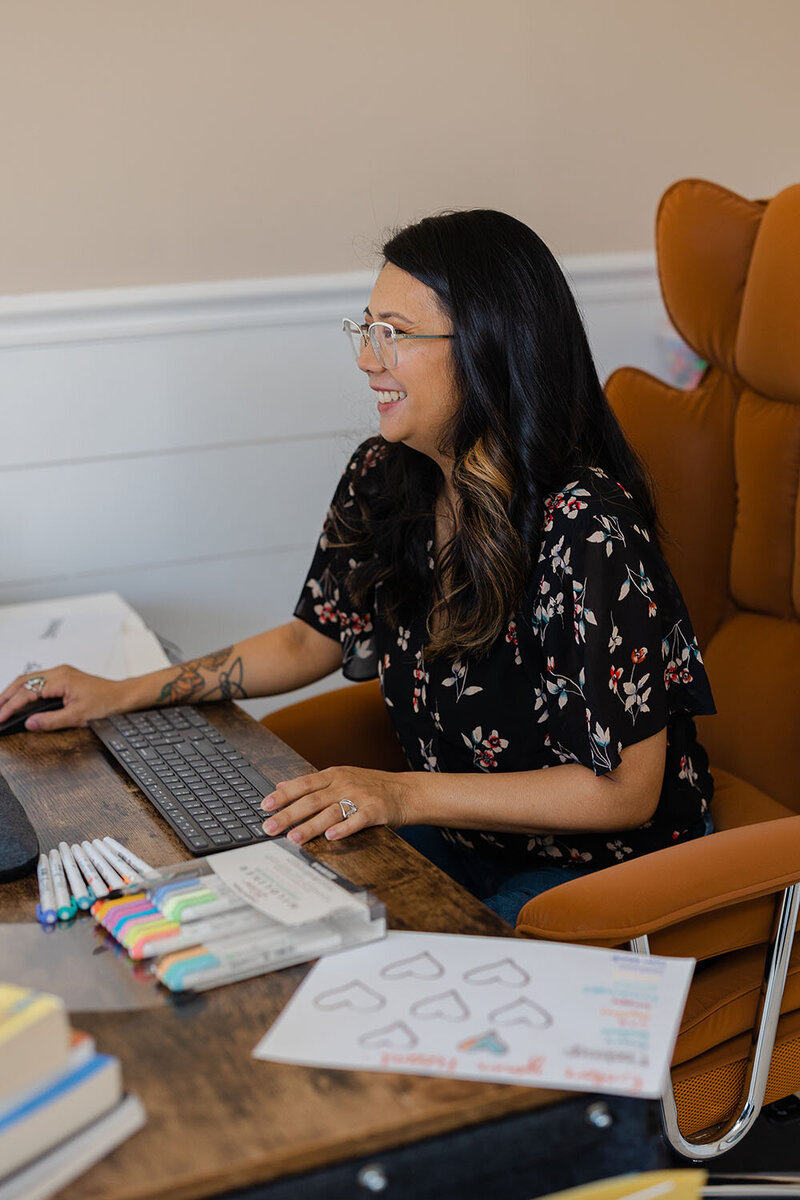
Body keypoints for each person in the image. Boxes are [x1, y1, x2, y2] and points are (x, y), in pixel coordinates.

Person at [0, 210, 715, 925]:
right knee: (250, 914)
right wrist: (118, 693)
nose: (367, 359)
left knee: (369, 973)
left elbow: (623, 789)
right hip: (465, 837)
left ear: (492, 349)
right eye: (365, 329)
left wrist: (401, 794)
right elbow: (308, 639)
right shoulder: (385, 475)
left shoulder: (587, 527)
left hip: (608, 873)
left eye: (394, 335)